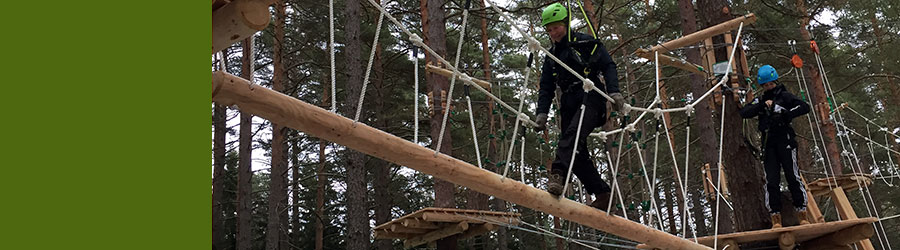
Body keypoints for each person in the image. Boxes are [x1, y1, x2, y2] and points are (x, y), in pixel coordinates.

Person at [533, 2, 625, 210]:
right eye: (549, 30)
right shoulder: (552, 56)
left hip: (591, 97)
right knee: (576, 153)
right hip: (569, 102)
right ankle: (602, 193)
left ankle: (557, 174)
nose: (553, 33)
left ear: (565, 24)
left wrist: (614, 91)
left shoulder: (586, 43)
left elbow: (608, 65)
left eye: (556, 27)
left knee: (571, 137)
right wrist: (541, 113)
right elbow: (546, 87)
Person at [739, 65, 811, 228]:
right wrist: (763, 106)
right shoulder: (761, 100)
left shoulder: (785, 96)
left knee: (793, 176)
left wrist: (784, 112)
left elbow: (804, 107)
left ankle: (801, 211)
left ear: (775, 82)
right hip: (769, 143)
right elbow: (745, 112)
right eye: (765, 85)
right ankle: (775, 216)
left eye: (770, 84)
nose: (768, 87)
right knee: (772, 180)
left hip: (785, 140)